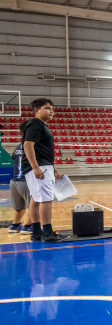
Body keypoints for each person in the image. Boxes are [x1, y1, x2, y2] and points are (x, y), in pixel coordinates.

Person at [22, 98, 66, 242]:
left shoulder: (41, 125)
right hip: (39, 167)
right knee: (47, 199)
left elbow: (42, 151)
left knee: (35, 199)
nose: (51, 111)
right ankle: (47, 233)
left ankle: (36, 233)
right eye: (47, 108)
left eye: (52, 109)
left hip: (44, 166)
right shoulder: (35, 124)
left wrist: (53, 170)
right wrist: (35, 167)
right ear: (36, 110)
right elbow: (28, 145)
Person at [8, 121, 31, 234]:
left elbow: (14, 157)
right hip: (25, 181)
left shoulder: (19, 146)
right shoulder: (31, 145)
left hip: (13, 181)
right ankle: (28, 226)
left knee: (19, 206)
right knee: (34, 205)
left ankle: (14, 225)